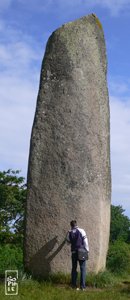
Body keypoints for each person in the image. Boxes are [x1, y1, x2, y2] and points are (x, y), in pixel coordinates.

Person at [66, 220, 89, 290]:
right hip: (81, 251)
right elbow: (85, 241)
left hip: (73, 252)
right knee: (83, 269)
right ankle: (82, 287)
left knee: (74, 268)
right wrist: (87, 250)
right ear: (76, 224)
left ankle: (74, 285)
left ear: (71, 225)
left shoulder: (69, 232)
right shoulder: (81, 231)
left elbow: (67, 242)